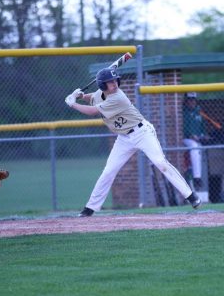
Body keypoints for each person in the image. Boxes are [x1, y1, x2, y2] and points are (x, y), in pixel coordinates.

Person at [65, 67, 201, 217]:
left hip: (142, 132)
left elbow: (92, 111)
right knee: (108, 171)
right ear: (102, 86)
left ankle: (191, 196)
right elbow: (93, 98)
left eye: (115, 80)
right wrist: (81, 95)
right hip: (123, 138)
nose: (114, 84)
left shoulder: (118, 97)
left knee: (160, 162)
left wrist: (73, 104)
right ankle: (90, 208)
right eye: (109, 82)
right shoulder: (100, 94)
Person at [182, 92, 210, 189]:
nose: (192, 102)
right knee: (194, 146)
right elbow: (182, 128)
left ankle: (195, 175)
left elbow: (203, 129)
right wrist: (190, 135)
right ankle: (197, 178)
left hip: (198, 140)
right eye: (190, 100)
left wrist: (204, 135)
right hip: (185, 139)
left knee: (198, 147)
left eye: (193, 99)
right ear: (186, 101)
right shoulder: (182, 112)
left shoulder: (199, 112)